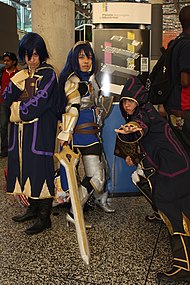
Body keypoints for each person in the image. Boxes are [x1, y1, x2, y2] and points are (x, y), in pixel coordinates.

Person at [115, 76, 190, 282]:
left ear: (139, 100)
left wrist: (132, 129)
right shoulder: (146, 111)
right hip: (174, 168)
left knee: (173, 211)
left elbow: (141, 126)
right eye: (124, 101)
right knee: (171, 205)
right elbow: (145, 140)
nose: (127, 105)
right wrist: (133, 152)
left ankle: (184, 266)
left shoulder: (144, 115)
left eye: (131, 101)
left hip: (172, 171)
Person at [1, 32, 60, 235]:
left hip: (40, 132)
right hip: (21, 133)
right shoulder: (22, 74)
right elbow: (6, 97)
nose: (31, 60)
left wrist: (17, 111)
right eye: (27, 55)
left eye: (35, 55)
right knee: (27, 168)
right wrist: (17, 82)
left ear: (41, 54)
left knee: (41, 169)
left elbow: (38, 104)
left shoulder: (49, 74)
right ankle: (33, 208)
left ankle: (45, 217)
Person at [58, 41, 115, 226]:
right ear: (74, 59)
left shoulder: (91, 79)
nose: (86, 61)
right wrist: (66, 136)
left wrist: (100, 109)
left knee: (97, 177)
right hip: (78, 134)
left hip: (91, 133)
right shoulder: (73, 81)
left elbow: (98, 105)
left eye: (89, 56)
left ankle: (75, 212)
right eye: (81, 57)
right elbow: (71, 109)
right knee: (94, 178)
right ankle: (74, 212)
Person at [160, 6, 190, 157]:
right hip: (184, 107)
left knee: (181, 152)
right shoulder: (187, 45)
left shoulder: (176, 43)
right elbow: (185, 80)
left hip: (173, 106)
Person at [0, 52, 18, 158]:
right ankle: (4, 150)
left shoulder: (18, 74)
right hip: (3, 103)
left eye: (8, 60)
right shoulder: (2, 72)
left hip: (14, 104)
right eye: (5, 60)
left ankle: (14, 149)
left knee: (14, 126)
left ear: (13, 62)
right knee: (3, 126)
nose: (6, 62)